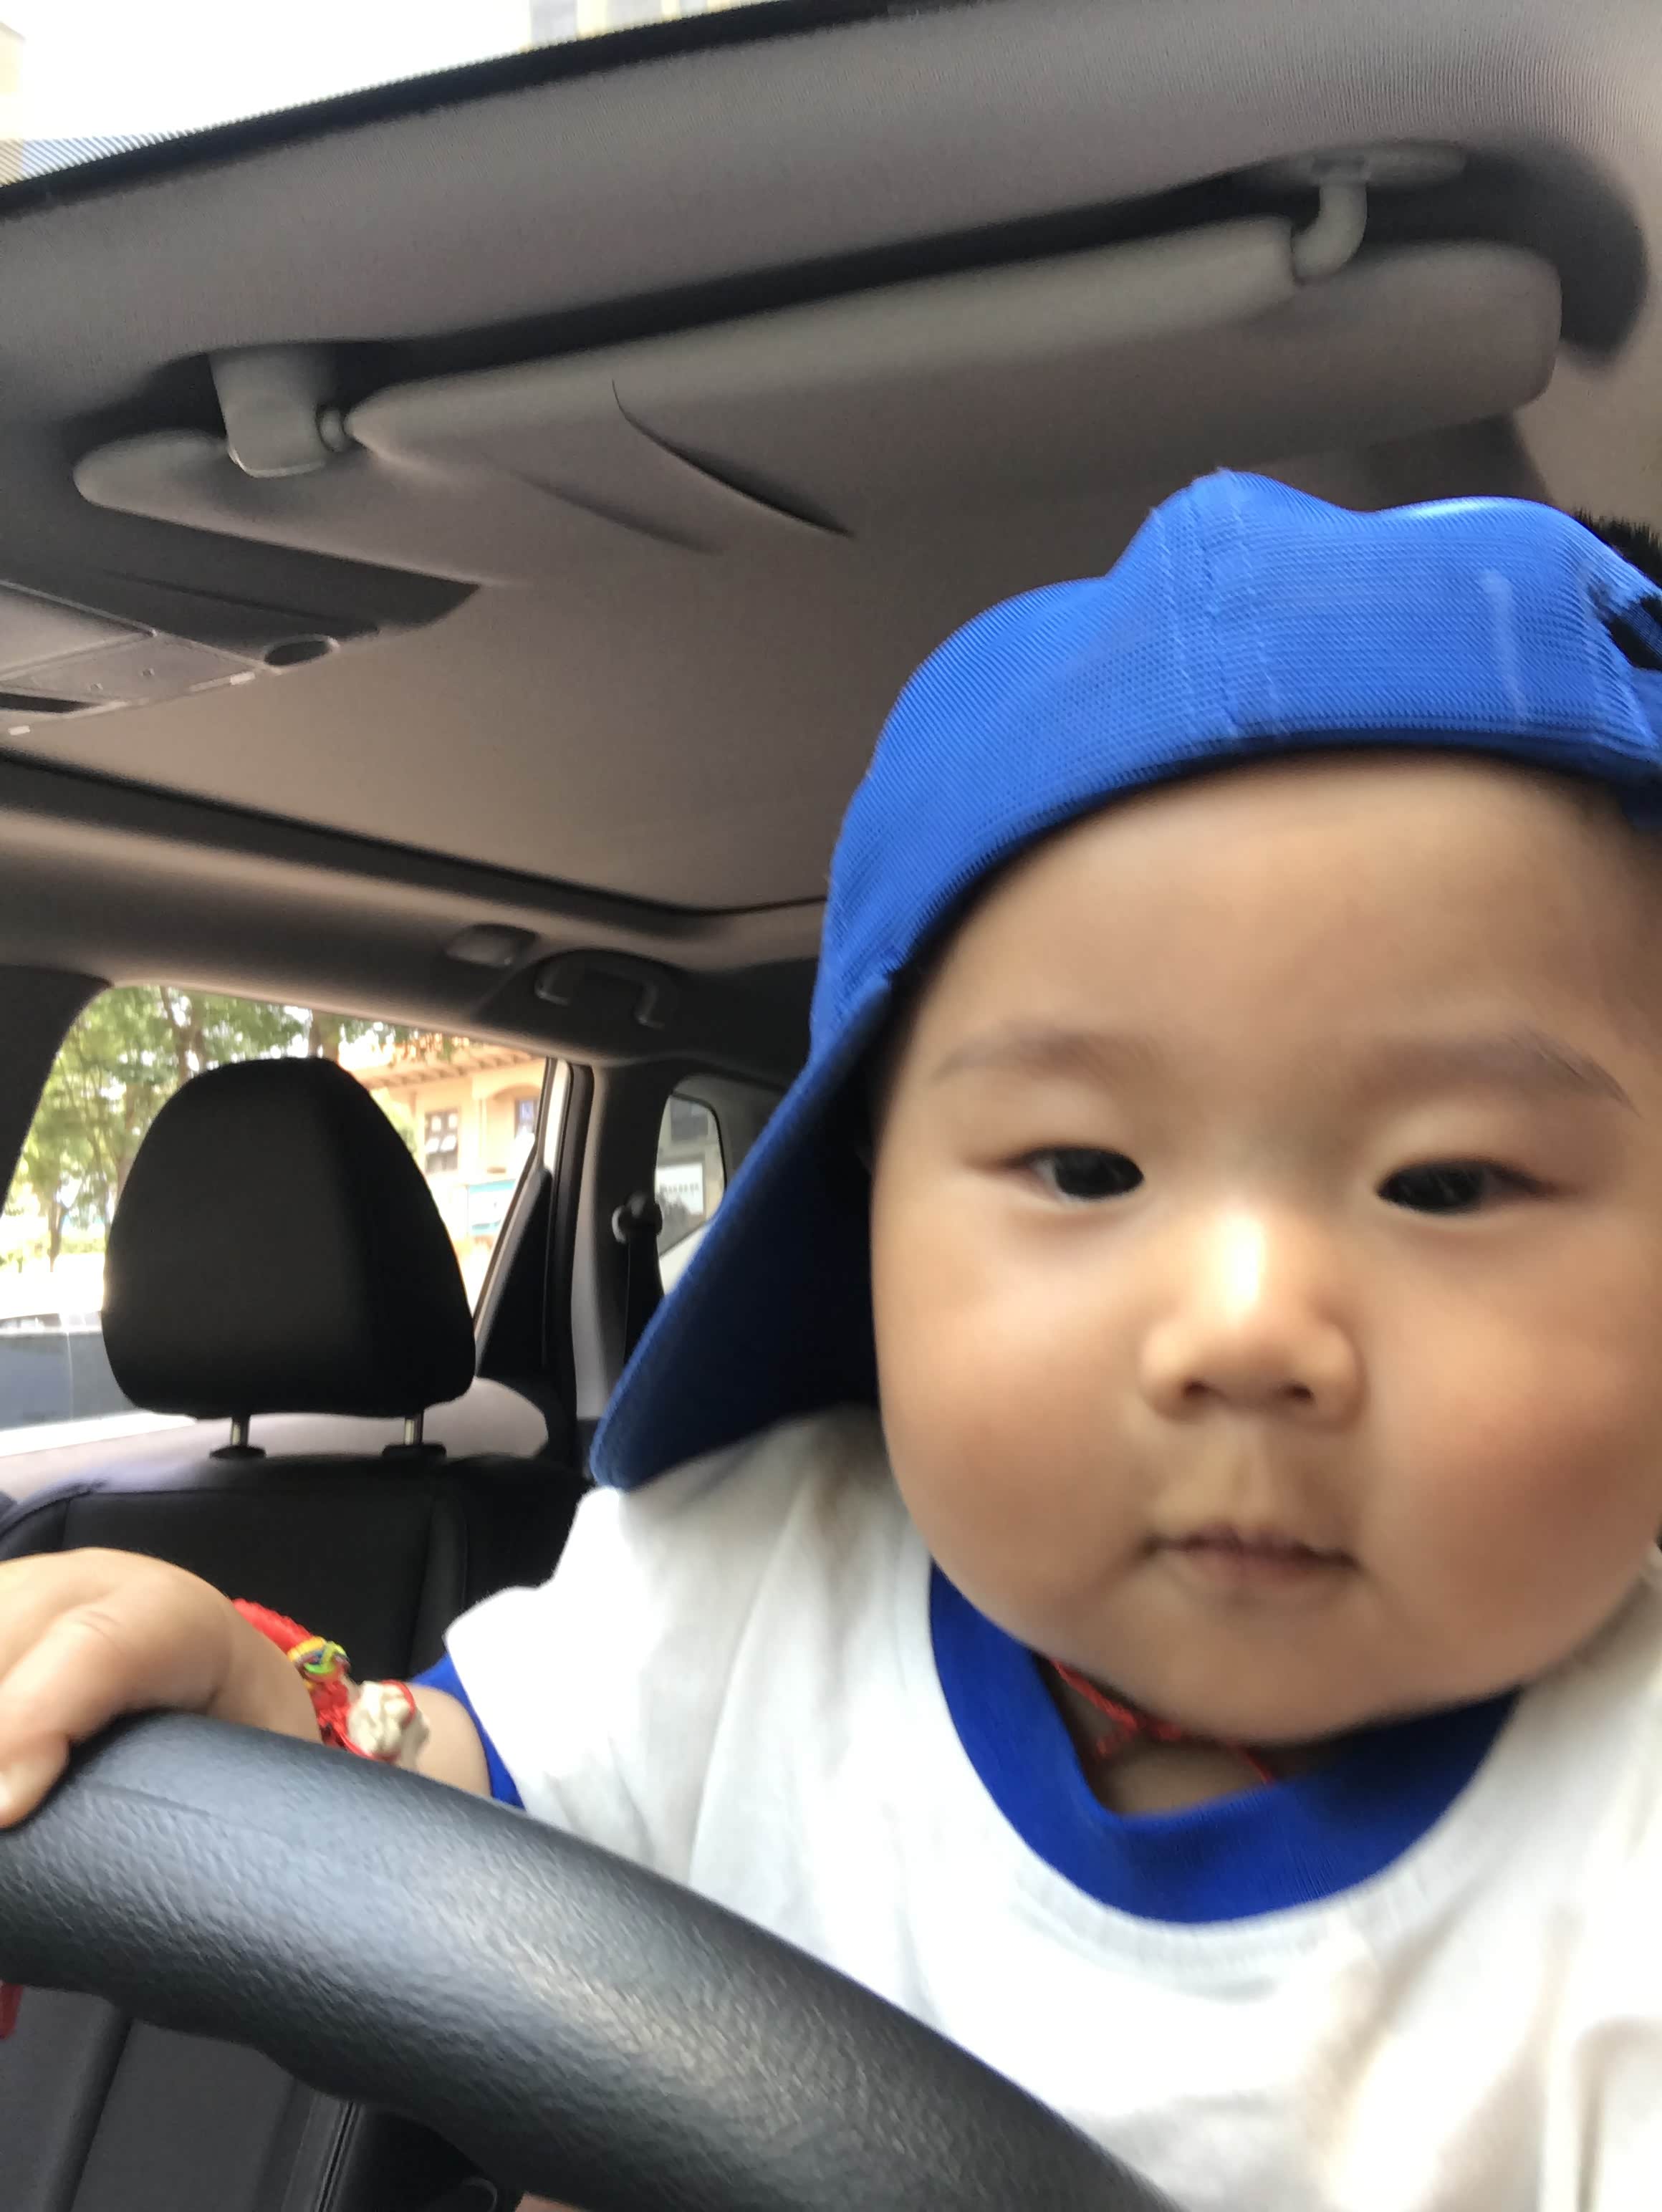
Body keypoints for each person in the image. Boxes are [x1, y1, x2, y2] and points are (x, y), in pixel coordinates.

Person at [6, 471, 1662, 2208]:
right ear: (870, 1229)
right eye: (1084, 1167)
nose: (1247, 1328)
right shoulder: (750, 1569)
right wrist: (258, 1701)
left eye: (1446, 1180)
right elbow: (446, 1814)